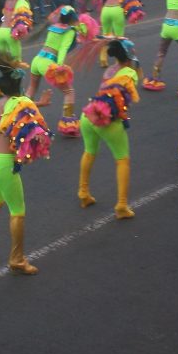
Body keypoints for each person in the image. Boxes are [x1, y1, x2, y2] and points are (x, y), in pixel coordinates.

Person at [0, 54, 52, 275]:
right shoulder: (22, 103)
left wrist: (39, 103)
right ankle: (17, 259)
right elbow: (33, 122)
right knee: (18, 212)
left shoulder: (0, 102)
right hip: (2, 164)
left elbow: (16, 110)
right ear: (20, 84)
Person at [77, 39, 140, 219]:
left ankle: (83, 193)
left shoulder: (109, 70)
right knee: (122, 160)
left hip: (88, 115)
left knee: (89, 152)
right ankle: (121, 205)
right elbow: (128, 86)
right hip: (107, 120)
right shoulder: (128, 72)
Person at [25, 6, 98, 137]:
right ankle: (68, 126)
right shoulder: (69, 31)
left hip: (37, 60)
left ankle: (22, 117)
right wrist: (59, 66)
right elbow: (63, 49)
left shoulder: (54, 27)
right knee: (69, 92)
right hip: (49, 63)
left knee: (32, 88)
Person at [99, 0, 144, 67]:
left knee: (106, 36)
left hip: (105, 10)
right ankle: (119, 62)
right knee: (119, 38)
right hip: (116, 10)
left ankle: (103, 59)